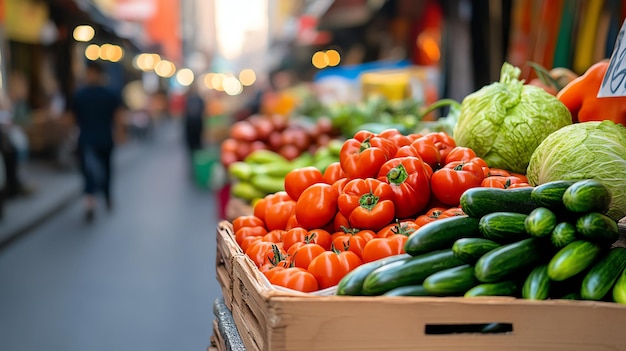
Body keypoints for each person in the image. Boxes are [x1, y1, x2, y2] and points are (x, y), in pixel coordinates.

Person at [71, 61, 124, 222]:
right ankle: (96, 200)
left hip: (92, 139)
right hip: (99, 139)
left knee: (94, 170)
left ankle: (97, 198)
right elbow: (118, 117)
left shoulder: (82, 94)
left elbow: (71, 119)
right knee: (98, 170)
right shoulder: (107, 93)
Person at [182, 84, 206, 158]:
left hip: (190, 124)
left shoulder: (188, 99)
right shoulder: (200, 99)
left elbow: (184, 111)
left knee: (191, 144)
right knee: (197, 143)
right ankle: (197, 158)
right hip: (197, 123)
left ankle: (193, 157)